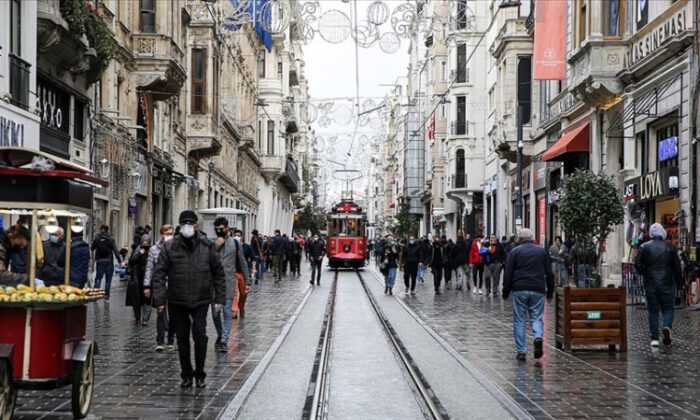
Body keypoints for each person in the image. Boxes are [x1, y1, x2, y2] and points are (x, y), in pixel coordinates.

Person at [152, 210, 226, 388]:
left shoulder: (207, 246)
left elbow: (218, 273)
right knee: (182, 338)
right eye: (183, 223)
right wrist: (160, 300)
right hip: (177, 299)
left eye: (190, 223)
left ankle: (200, 374)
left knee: (200, 336)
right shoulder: (170, 247)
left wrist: (220, 299)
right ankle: (186, 374)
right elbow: (159, 274)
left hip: (201, 298)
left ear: (196, 225)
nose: (187, 226)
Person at [502, 229, 555, 361]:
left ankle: (521, 351)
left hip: (519, 288)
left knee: (520, 320)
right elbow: (550, 273)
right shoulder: (541, 252)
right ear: (532, 238)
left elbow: (508, 274)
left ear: (519, 239)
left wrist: (505, 291)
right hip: (538, 288)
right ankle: (537, 337)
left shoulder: (514, 252)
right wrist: (550, 292)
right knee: (536, 318)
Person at [634, 223, 682, 347]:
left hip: (651, 284)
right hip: (667, 283)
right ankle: (666, 326)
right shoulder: (671, 247)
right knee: (668, 308)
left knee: (653, 311)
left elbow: (637, 265)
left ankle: (654, 339)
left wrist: (646, 273)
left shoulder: (644, 247)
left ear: (651, 234)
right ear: (662, 233)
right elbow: (677, 268)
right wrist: (680, 284)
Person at [211, 222, 250, 353]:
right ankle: (221, 334)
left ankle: (223, 341)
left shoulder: (235, 243)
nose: (219, 231)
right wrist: (216, 245)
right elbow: (206, 259)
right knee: (215, 314)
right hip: (214, 284)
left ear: (227, 228)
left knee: (227, 312)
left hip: (228, 282)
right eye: (216, 229)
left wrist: (248, 281)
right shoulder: (212, 243)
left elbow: (242, 262)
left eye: (221, 229)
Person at [144, 224, 176, 351]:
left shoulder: (176, 248)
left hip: (174, 285)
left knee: (174, 313)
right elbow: (149, 268)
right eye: (167, 233)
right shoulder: (154, 249)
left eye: (171, 233)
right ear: (162, 234)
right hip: (159, 285)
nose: (169, 236)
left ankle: (171, 339)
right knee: (160, 311)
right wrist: (146, 285)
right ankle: (160, 340)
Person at [92, 224, 122, 300]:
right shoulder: (111, 238)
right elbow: (115, 250)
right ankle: (106, 296)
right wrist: (119, 260)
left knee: (98, 278)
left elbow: (92, 248)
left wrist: (96, 243)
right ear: (107, 230)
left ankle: (95, 295)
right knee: (108, 279)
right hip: (109, 261)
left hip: (100, 261)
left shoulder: (97, 237)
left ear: (101, 229)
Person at [232, 229, 254, 320]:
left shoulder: (246, 247)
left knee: (243, 293)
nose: (237, 237)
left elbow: (248, 261)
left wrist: (252, 271)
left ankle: (241, 307)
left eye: (239, 235)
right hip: (233, 273)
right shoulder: (229, 247)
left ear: (242, 237)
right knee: (234, 293)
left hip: (242, 273)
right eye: (236, 235)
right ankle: (234, 311)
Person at [128, 240, 151, 325]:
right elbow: (131, 261)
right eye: (143, 244)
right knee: (136, 300)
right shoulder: (137, 250)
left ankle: (145, 319)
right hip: (137, 278)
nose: (145, 246)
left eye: (147, 244)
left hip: (147, 280)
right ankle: (137, 318)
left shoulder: (151, 252)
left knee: (147, 300)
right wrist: (139, 254)